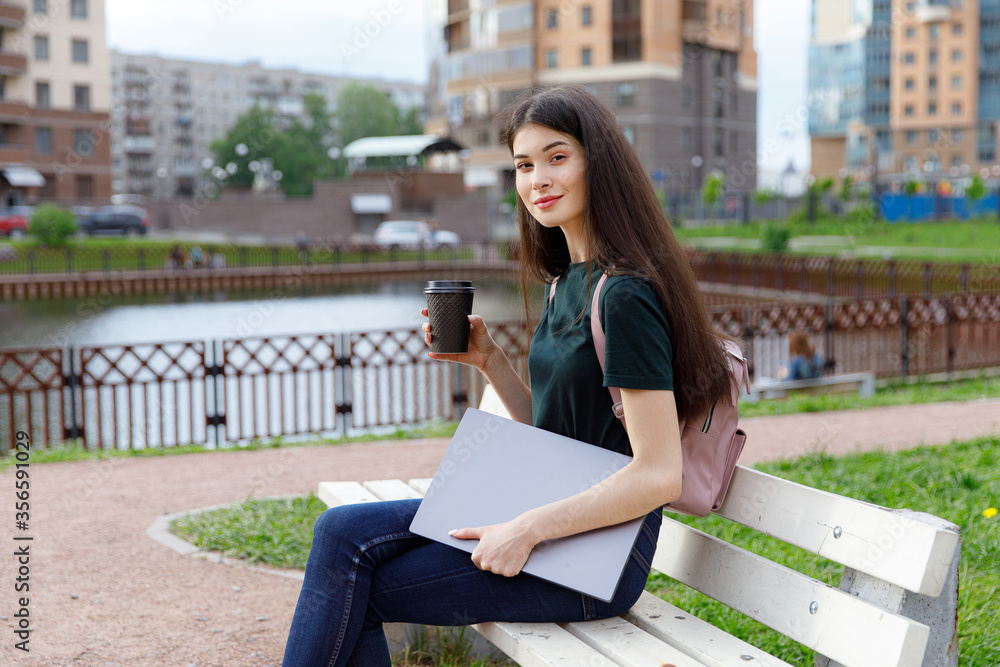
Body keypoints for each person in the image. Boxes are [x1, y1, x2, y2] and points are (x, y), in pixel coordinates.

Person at [281, 85, 733, 666]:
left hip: (597, 555)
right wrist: (488, 360)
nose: (537, 179)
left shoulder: (624, 294)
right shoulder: (567, 281)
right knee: (341, 531)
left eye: (557, 157)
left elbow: (659, 475)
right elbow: (555, 437)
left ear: (601, 162)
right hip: (555, 514)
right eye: (524, 165)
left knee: (352, 580)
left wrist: (526, 530)